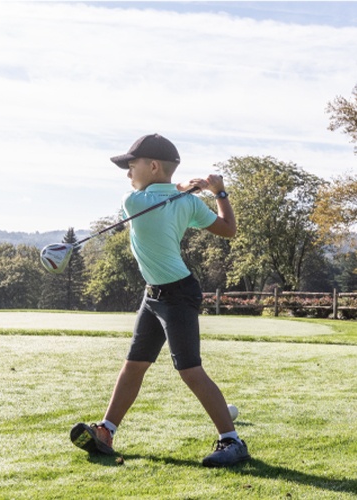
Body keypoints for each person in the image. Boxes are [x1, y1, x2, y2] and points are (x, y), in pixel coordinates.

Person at [70, 133, 250, 467]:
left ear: (152, 166)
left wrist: (186, 188)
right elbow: (228, 226)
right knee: (134, 365)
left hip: (178, 294)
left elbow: (224, 230)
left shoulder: (134, 201)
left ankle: (233, 441)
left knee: (190, 370)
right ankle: (107, 431)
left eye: (131, 165)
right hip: (154, 294)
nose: (128, 174)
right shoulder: (187, 202)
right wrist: (217, 191)